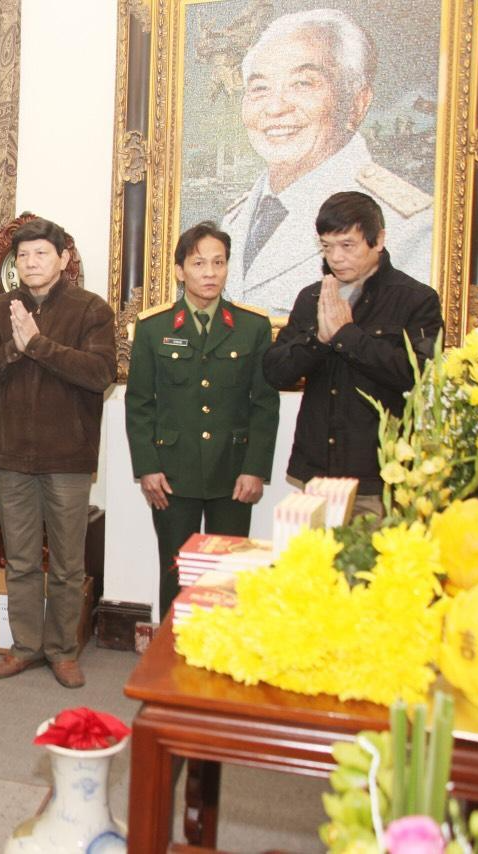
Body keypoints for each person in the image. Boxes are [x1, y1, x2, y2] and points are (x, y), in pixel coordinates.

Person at [0, 217, 117, 689]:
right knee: (21, 560)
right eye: (24, 255)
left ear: (63, 259)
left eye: (41, 253)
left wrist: (38, 345)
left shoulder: (91, 309)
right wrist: (14, 348)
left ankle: (63, 651)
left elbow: (101, 374)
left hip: (68, 457)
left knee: (68, 564)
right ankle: (25, 647)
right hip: (11, 457)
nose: (31, 262)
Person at [221, 8, 432, 315]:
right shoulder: (237, 217)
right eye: (260, 88)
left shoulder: (405, 225)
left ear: (357, 103)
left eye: (302, 84)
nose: (275, 108)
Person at [126, 222, 280, 620]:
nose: (210, 272)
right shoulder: (154, 327)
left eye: (218, 262)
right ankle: (175, 651)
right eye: (198, 263)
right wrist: (147, 467)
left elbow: (264, 404)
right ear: (180, 271)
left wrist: (255, 468)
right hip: (172, 474)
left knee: (226, 576)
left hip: (233, 473)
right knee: (177, 572)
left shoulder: (252, 327)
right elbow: (139, 404)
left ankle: (222, 651)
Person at [263, 191, 442, 517]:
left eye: (347, 245)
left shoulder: (416, 300)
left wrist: (347, 336)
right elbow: (275, 372)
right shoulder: (311, 297)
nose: (336, 257)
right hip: (316, 473)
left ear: (378, 240)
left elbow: (418, 377)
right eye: (327, 246)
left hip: (379, 479)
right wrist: (319, 340)